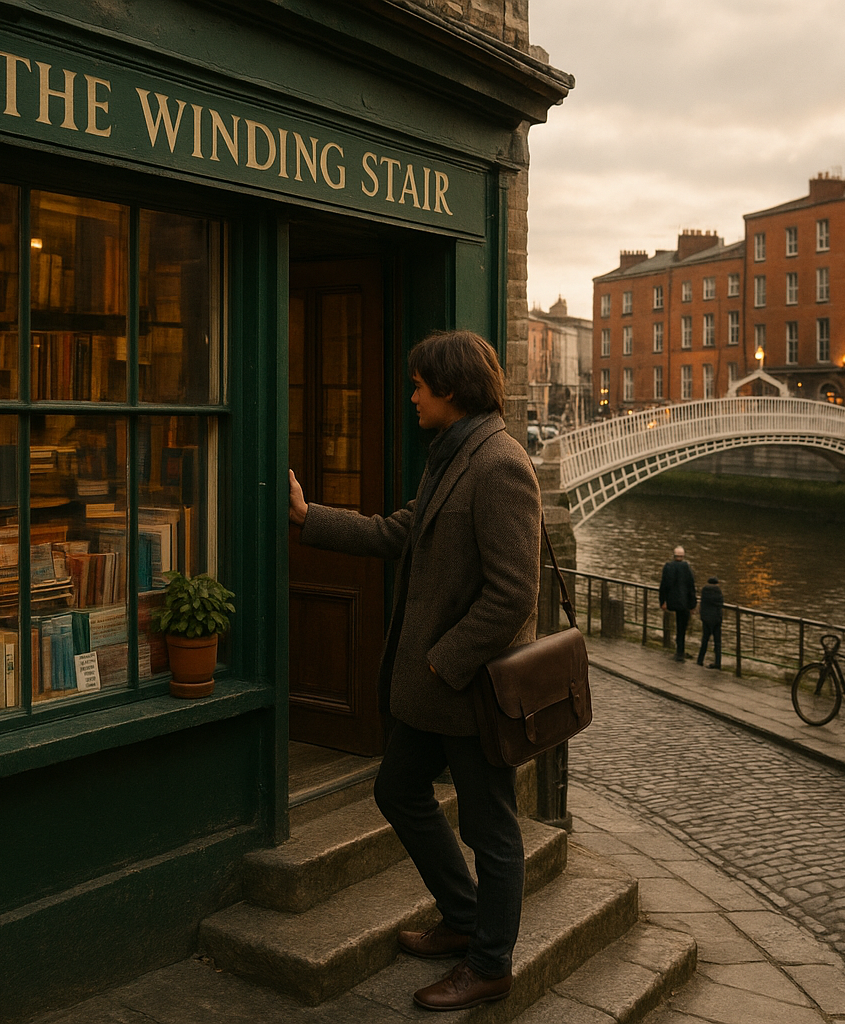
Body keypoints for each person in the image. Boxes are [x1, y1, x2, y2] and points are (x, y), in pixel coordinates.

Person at [288, 330, 541, 1011]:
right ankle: (461, 917)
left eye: (419, 386)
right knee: (398, 790)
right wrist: (313, 518)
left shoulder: (499, 464)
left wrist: (443, 659)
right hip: (435, 695)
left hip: (466, 692)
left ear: (449, 390)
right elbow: (401, 532)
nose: (412, 397)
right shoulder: (450, 454)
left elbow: (515, 592)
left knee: (492, 832)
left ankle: (489, 964)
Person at [658, 545, 696, 662]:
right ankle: (680, 652)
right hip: (684, 603)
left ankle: (673, 647)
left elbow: (664, 585)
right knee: (681, 628)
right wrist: (692, 605)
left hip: (672, 601)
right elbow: (691, 587)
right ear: (683, 556)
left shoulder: (668, 567)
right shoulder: (687, 568)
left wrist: (662, 601)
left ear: (673, 556)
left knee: (672, 625)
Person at [697, 576, 724, 670]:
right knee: (717, 642)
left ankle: (700, 660)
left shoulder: (704, 590)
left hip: (706, 619)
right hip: (716, 619)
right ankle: (718, 662)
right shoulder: (718, 591)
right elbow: (720, 603)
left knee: (704, 640)